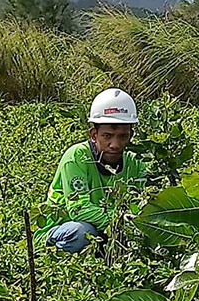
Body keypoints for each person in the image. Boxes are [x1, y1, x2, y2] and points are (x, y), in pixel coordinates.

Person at [44, 88, 147, 253]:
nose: (115, 144)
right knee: (81, 233)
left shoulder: (136, 161)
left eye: (122, 136)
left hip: (109, 228)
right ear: (94, 135)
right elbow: (78, 208)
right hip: (65, 226)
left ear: (131, 135)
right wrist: (120, 223)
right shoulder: (77, 157)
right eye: (107, 136)